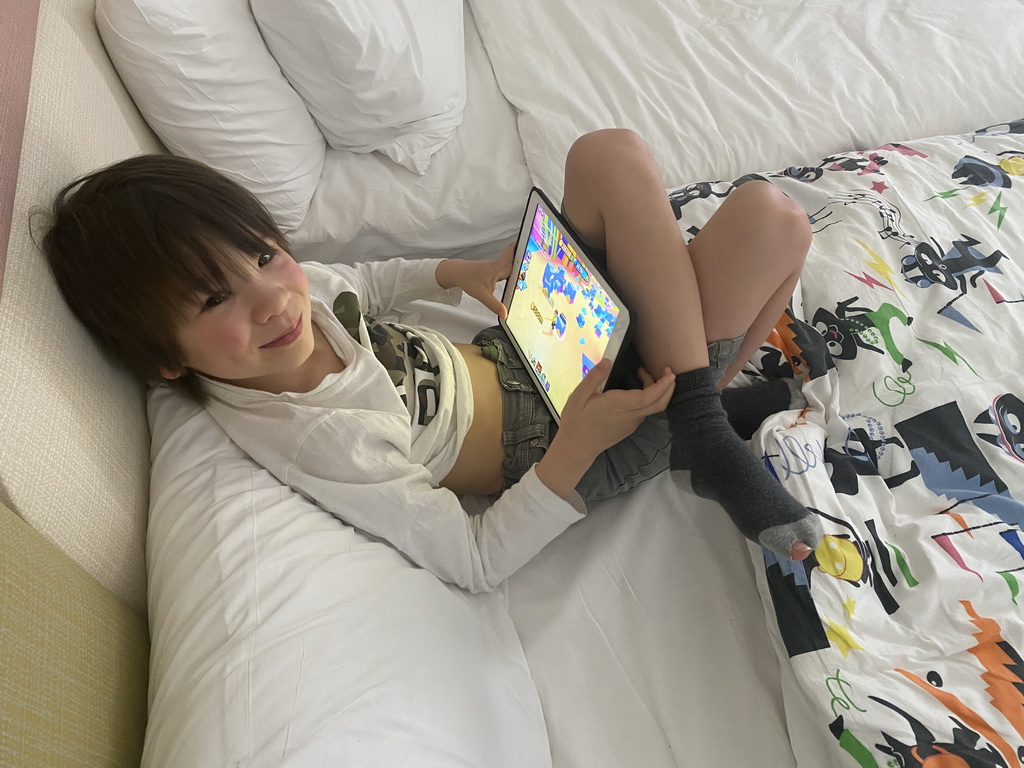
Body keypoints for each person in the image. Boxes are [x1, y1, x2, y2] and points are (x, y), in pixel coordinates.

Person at [41, 129, 822, 592]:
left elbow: (366, 279)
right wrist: (580, 444)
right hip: (580, 438)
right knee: (776, 226)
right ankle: (701, 431)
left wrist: (456, 273)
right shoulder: (319, 438)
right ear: (164, 363)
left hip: (535, 341)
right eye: (214, 301)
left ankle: (702, 414)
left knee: (607, 154)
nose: (274, 299)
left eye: (263, 254)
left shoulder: (295, 301)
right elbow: (473, 560)